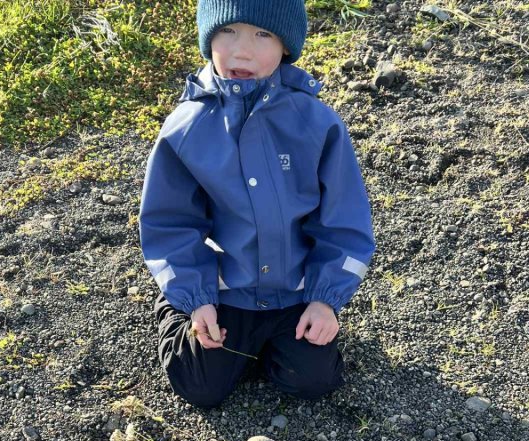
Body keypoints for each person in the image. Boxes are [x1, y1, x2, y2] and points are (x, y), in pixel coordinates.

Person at [139, 0, 375, 409]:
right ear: (208, 36)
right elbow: (170, 224)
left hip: (293, 294)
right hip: (224, 292)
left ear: (286, 46)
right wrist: (197, 298)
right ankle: (175, 309)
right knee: (200, 385)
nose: (242, 51)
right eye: (228, 31)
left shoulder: (316, 123)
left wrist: (325, 299)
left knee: (313, 381)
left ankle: (277, 341)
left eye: (263, 34)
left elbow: (344, 223)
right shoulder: (187, 128)